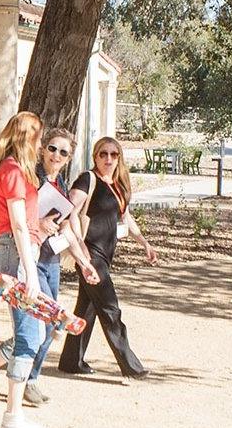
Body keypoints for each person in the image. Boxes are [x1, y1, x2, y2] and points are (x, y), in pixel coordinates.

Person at [0, 113, 97, 428]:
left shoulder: (9, 169)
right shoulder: (15, 172)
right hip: (17, 254)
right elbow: (18, 225)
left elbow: (28, 224)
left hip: (16, 253)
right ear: (29, 138)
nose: (44, 148)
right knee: (31, 335)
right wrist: (30, 275)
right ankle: (11, 415)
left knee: (35, 331)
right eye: (40, 140)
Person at [58, 136, 158, 380]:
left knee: (86, 308)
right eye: (103, 154)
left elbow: (126, 217)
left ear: (119, 158)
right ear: (95, 157)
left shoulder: (117, 186)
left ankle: (71, 361)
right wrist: (79, 246)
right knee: (110, 309)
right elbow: (68, 206)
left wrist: (144, 243)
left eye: (114, 155)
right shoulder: (88, 179)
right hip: (91, 256)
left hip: (105, 254)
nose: (109, 159)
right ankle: (130, 365)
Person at [24, 127, 98, 407]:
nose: (56, 155)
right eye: (52, 148)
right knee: (46, 320)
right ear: (43, 148)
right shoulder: (31, 179)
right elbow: (19, 218)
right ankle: (21, 377)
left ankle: (30, 377)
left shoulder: (62, 185)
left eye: (63, 152)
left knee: (52, 324)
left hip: (51, 260)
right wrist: (38, 224)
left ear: (68, 158)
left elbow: (67, 227)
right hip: (32, 258)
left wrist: (83, 262)